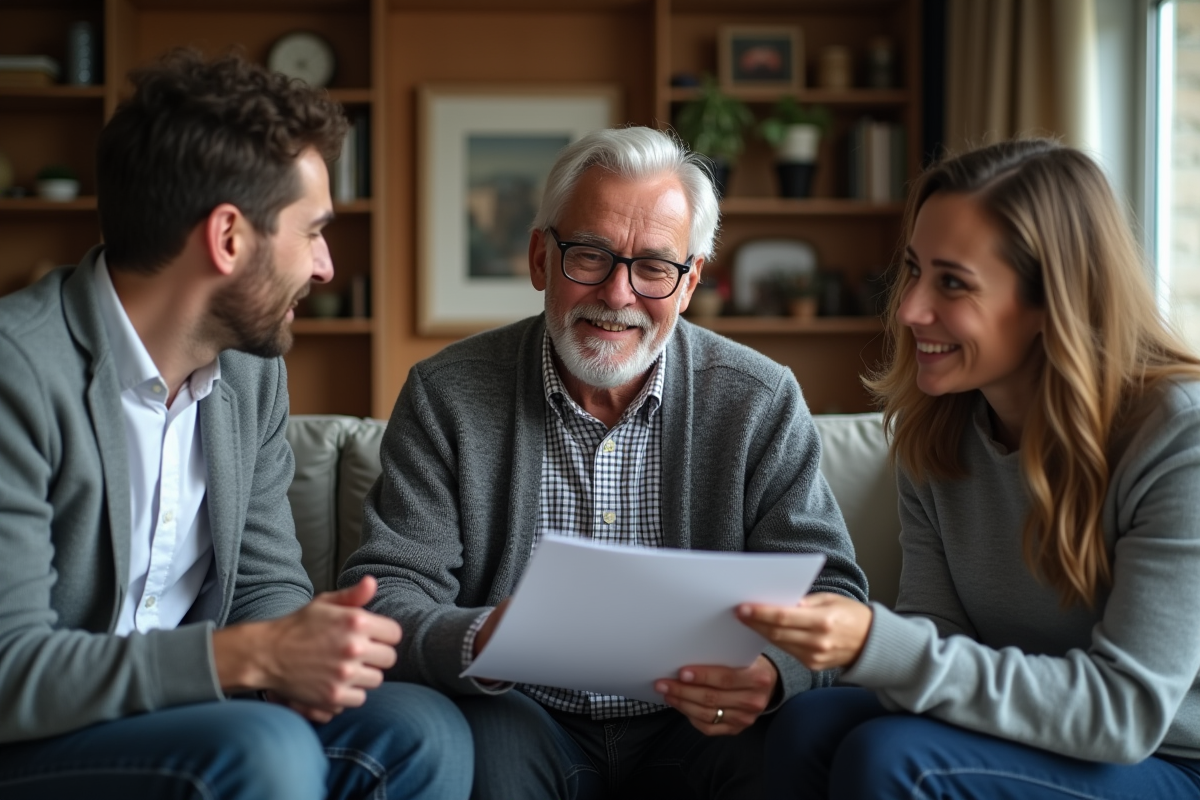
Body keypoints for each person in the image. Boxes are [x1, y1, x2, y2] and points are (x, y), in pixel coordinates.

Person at [339, 125, 868, 800]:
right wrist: (481, 636)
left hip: (702, 723)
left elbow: (833, 594)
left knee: (786, 748)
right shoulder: (447, 394)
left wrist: (771, 672)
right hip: (520, 711)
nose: (618, 295)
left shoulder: (759, 399)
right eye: (589, 255)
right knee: (488, 751)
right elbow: (387, 588)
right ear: (540, 258)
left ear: (690, 280)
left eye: (653, 266)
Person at [0, 50, 472, 800]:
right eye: (312, 231)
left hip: (185, 711)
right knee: (265, 749)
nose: (323, 266)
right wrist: (248, 658)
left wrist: (311, 653)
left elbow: (264, 581)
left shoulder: (250, 371)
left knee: (421, 728)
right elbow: (10, 666)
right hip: (36, 732)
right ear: (228, 238)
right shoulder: (18, 371)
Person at [738, 138, 1200, 799]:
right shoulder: (938, 429)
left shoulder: (1178, 435)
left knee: (892, 759)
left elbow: (1126, 712)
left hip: (1169, 756)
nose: (909, 309)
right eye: (914, 270)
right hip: (1030, 731)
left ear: (1052, 302)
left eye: (952, 282)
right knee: (806, 724)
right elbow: (938, 639)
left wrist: (874, 641)